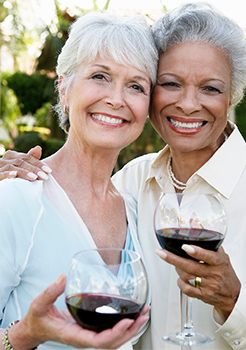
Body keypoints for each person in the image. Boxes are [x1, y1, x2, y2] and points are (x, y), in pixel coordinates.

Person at [0, 3, 246, 350]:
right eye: (170, 83)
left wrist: (235, 302)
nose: (188, 104)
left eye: (210, 88)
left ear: (233, 97)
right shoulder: (132, 183)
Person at [0, 9, 158, 350]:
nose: (116, 99)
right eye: (100, 76)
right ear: (64, 89)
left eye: (135, 85)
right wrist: (27, 333)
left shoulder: (135, 208)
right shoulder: (16, 199)